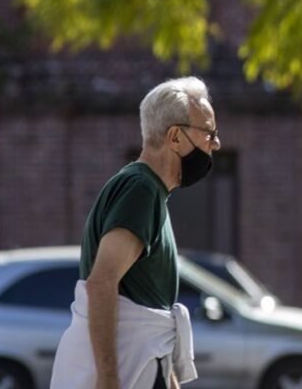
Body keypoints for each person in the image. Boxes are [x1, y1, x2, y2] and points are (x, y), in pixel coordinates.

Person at [51, 77, 221, 389]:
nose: (216, 144)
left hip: (141, 361)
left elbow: (147, 304)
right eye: (209, 133)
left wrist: (168, 377)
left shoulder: (147, 190)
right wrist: (108, 377)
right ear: (175, 137)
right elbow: (102, 282)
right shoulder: (141, 190)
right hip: (129, 368)